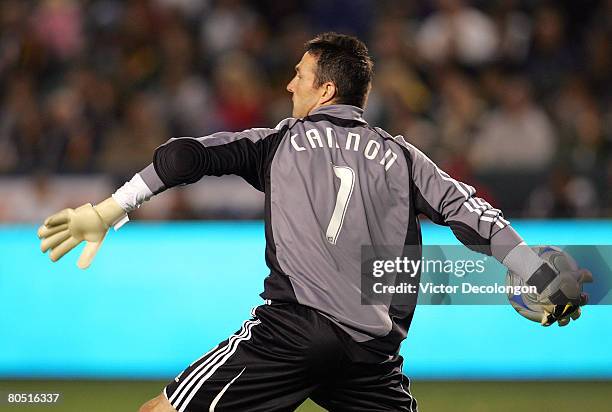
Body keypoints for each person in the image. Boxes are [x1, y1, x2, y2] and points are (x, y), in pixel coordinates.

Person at [38, 33, 590, 412]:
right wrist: (534, 270)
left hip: (292, 332)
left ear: (325, 89)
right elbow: (477, 216)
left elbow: (185, 156)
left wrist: (109, 210)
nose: (289, 86)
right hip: (371, 354)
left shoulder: (281, 141)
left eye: (299, 76)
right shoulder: (401, 156)